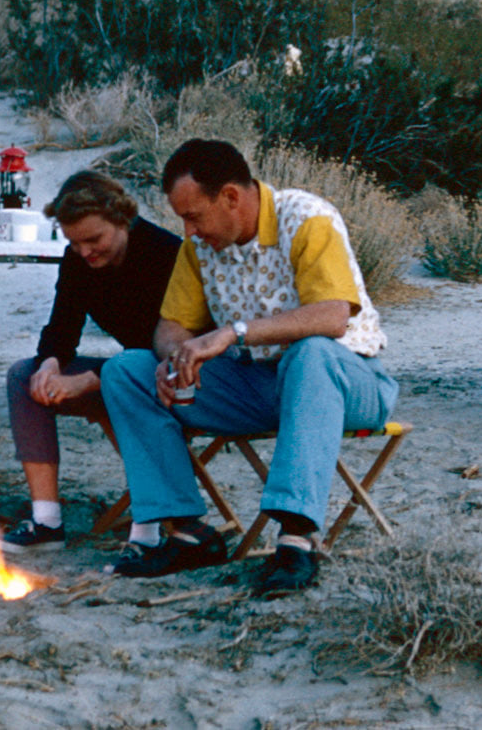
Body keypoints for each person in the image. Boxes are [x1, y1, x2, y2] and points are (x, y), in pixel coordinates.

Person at [99, 139, 396, 596]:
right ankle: (187, 531)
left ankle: (298, 540)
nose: (189, 230)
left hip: (348, 381)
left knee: (311, 353)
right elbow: (169, 328)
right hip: (260, 387)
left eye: (194, 216)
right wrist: (178, 356)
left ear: (232, 198)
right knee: (128, 371)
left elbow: (333, 316)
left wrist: (232, 333)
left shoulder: (306, 218)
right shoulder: (197, 249)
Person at [0, 170, 180, 553]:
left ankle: (150, 528)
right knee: (23, 376)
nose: (85, 252)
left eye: (93, 240)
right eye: (74, 242)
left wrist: (88, 380)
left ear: (121, 218)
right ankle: (47, 521)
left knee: (124, 382)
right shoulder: (79, 258)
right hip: (125, 372)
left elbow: (167, 348)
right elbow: (62, 328)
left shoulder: (165, 254)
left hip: (174, 375)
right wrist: (50, 365)